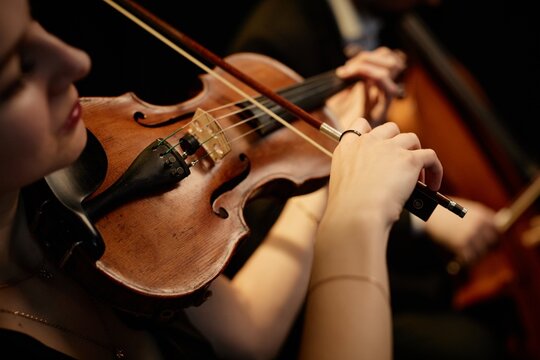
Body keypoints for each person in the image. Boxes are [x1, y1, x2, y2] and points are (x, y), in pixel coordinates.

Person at [0, 0, 445, 358]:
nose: (75, 60)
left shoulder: (58, 195)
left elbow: (247, 333)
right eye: (17, 71)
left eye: (36, 23)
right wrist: (355, 223)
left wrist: (329, 176)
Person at [227, 0, 512, 359]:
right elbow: (260, 201)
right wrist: (426, 216)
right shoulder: (278, 38)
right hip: (297, 285)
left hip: (392, 254)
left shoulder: (398, 22)